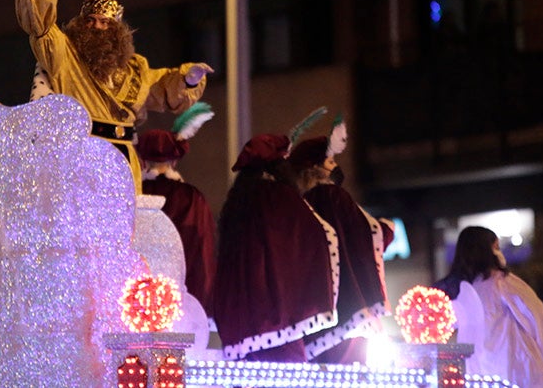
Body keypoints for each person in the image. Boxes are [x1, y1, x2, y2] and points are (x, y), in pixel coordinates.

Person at [16, 0, 213, 193]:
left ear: (117, 30)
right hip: (83, 156)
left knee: (124, 229)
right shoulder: (64, 56)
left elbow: (161, 89)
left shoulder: (135, 68)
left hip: (123, 159)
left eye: (105, 22)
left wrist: (188, 80)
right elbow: (41, 28)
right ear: (81, 24)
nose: (97, 27)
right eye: (91, 21)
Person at [212, 133, 340, 363]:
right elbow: (317, 235)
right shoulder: (280, 196)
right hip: (277, 321)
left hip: (241, 324)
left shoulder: (238, 201)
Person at [290, 120, 395, 364]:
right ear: (315, 167)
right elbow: (361, 235)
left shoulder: (300, 205)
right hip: (347, 310)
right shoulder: (333, 196)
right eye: (330, 161)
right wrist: (386, 230)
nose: (336, 166)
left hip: (314, 313)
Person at [434, 226, 543, 388]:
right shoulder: (504, 283)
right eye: (496, 247)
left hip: (479, 375)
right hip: (518, 370)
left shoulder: (457, 291)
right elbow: (535, 316)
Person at [135, 102, 217, 320]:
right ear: (175, 160)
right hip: (183, 302)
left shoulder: (133, 195)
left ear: (142, 160)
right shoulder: (191, 197)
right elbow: (202, 253)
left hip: (137, 302)